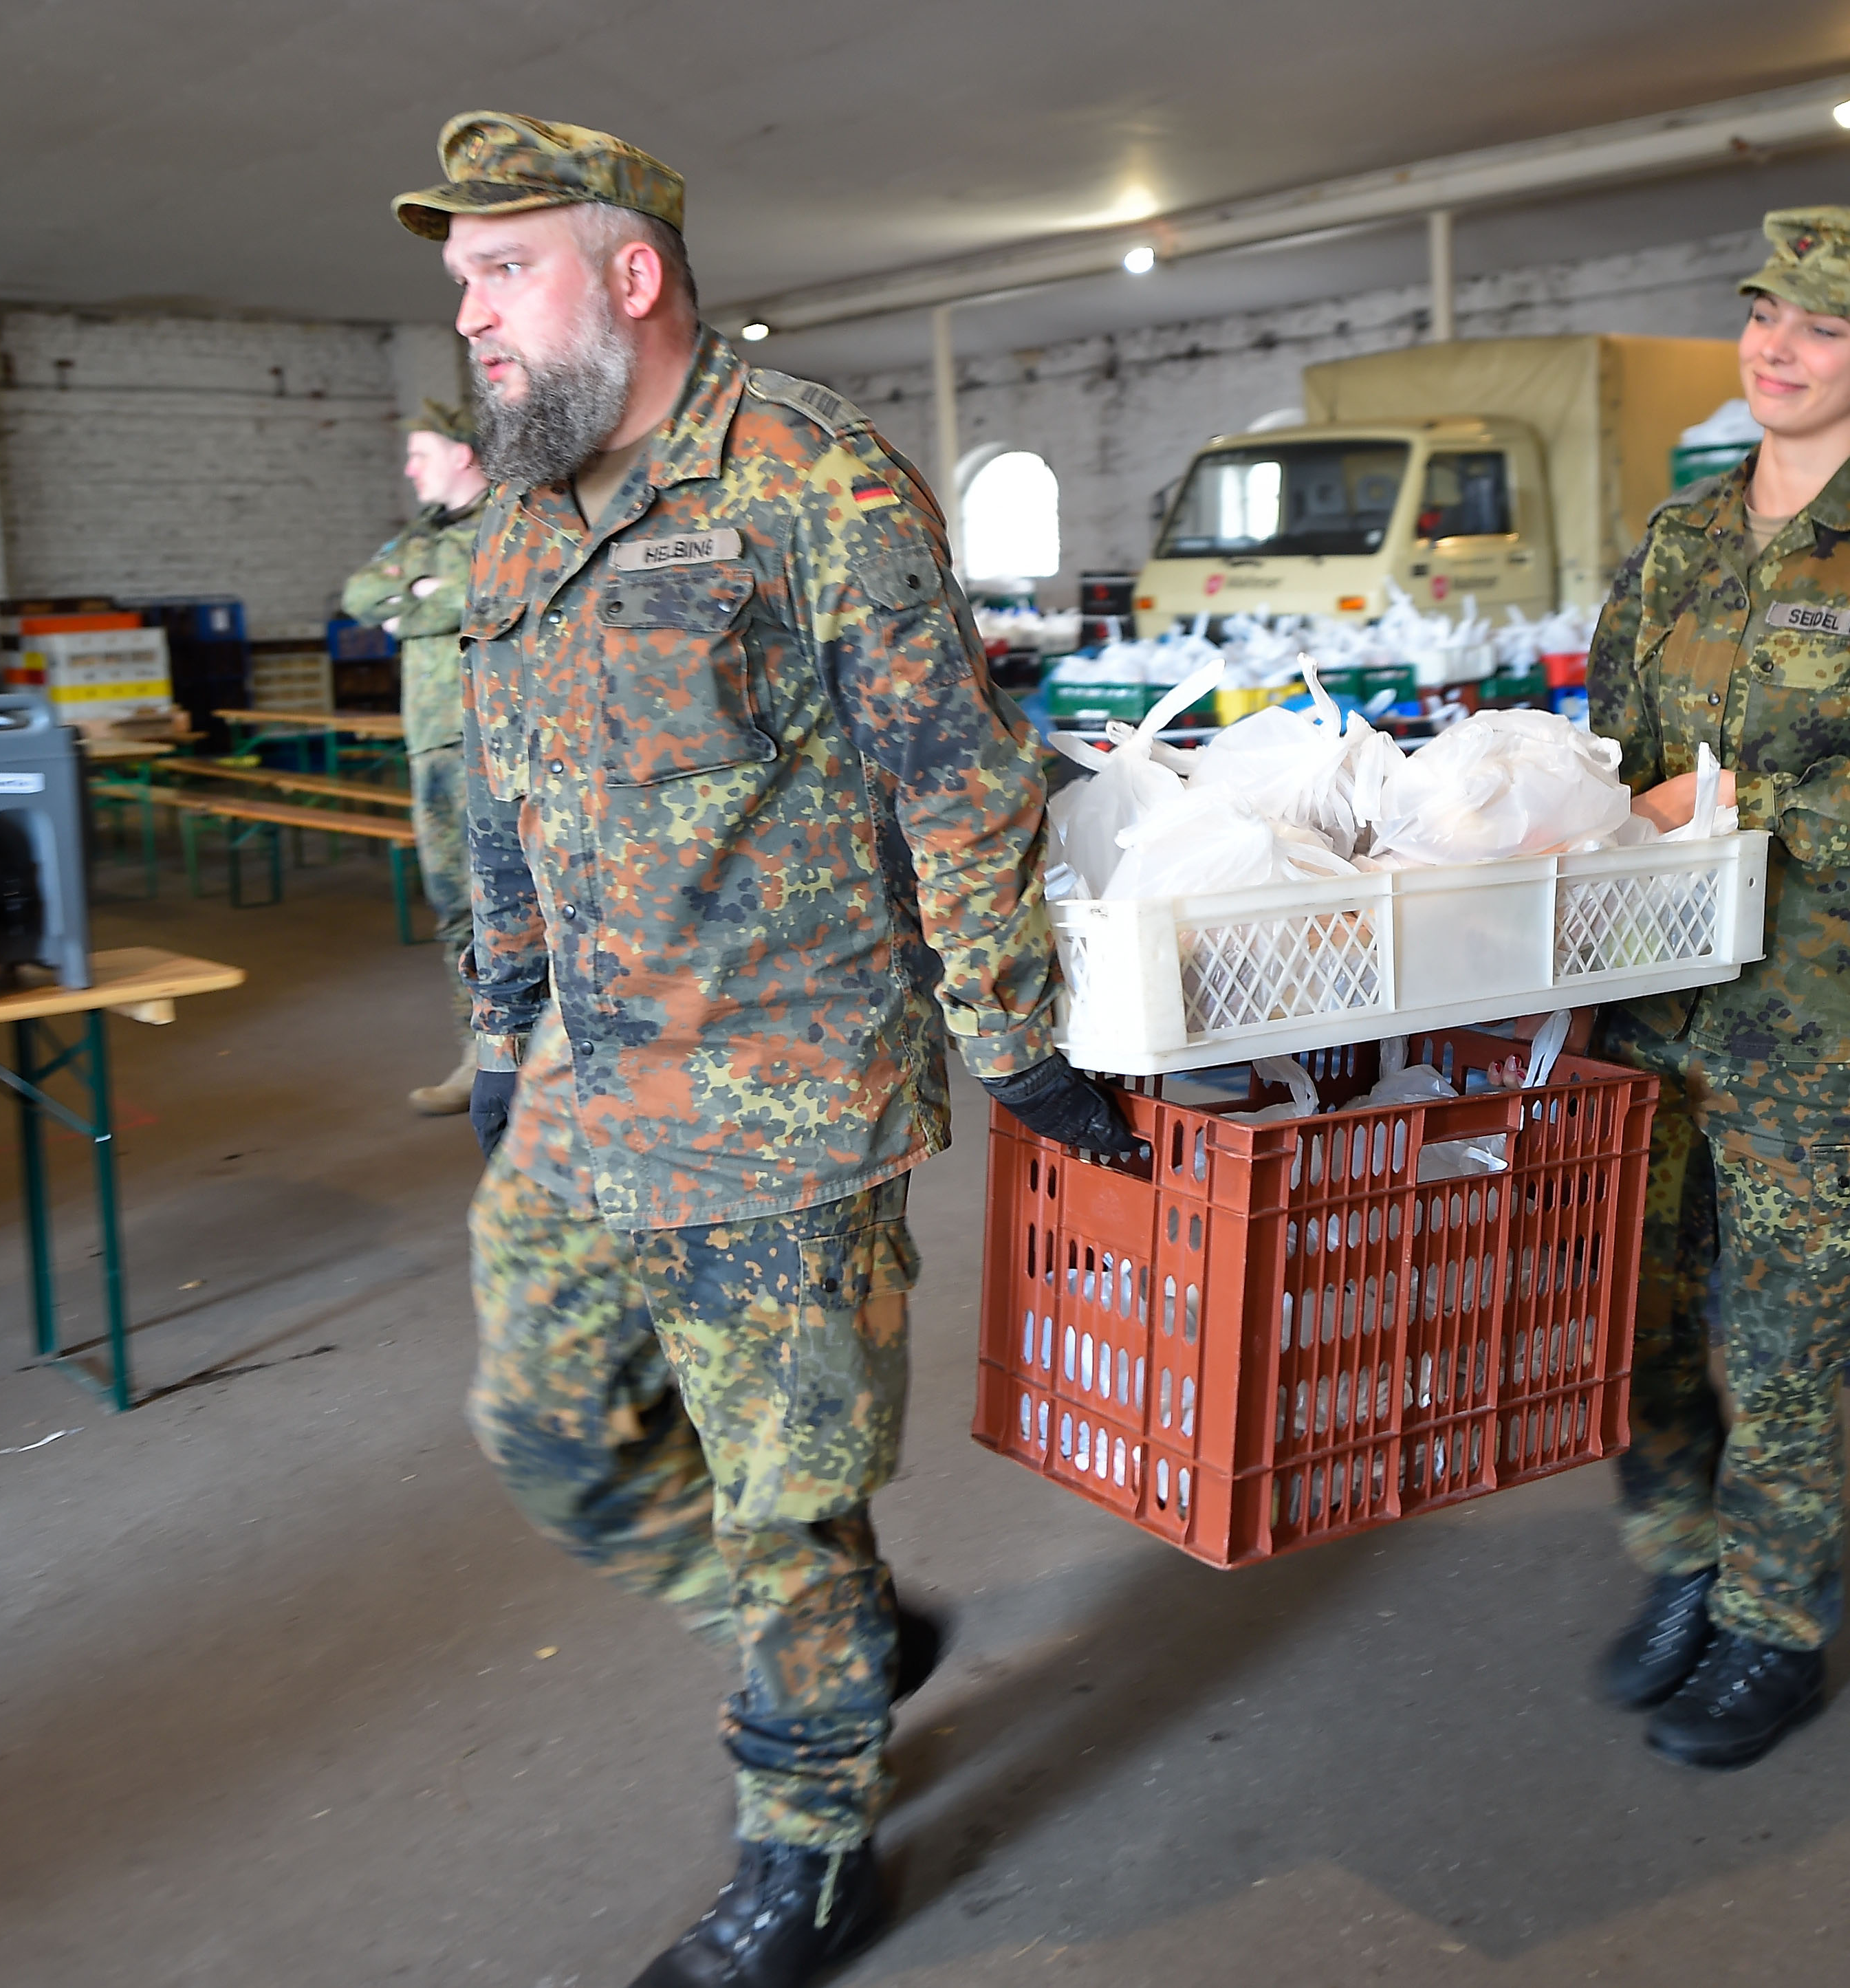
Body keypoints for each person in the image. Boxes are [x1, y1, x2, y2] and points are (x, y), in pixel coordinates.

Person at [393, 113, 1142, 1988]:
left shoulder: (814, 477)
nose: (472, 315)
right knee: (549, 1423)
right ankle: (854, 1635)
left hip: (785, 1089)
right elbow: (504, 781)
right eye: (462, 283)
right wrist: (500, 1019)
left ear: (628, 274)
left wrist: (1015, 1038)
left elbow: (959, 784)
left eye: (505, 271)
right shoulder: (523, 500)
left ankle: (810, 1845)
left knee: (786, 1497)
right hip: (589, 1069)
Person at [1584, 206, 1850, 1771]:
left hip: (1817, 1023)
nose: (1774, 345)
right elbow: (1609, 757)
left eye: (1820, 326)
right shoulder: (1679, 540)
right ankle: (1680, 1568)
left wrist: (1720, 811)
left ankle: (1772, 1627)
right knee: (1631, 1311)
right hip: (1652, 1001)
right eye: (1760, 310)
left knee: (1775, 1340)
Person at [340, 399, 490, 1113]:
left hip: (493, 737)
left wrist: (419, 605)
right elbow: (360, 595)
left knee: (516, 906)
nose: (408, 468)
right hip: (431, 740)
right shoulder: (421, 535)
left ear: (462, 454)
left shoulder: (511, 524)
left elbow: (490, 598)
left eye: (420, 453)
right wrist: (428, 594)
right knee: (454, 904)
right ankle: (479, 1053)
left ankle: (538, 1060)